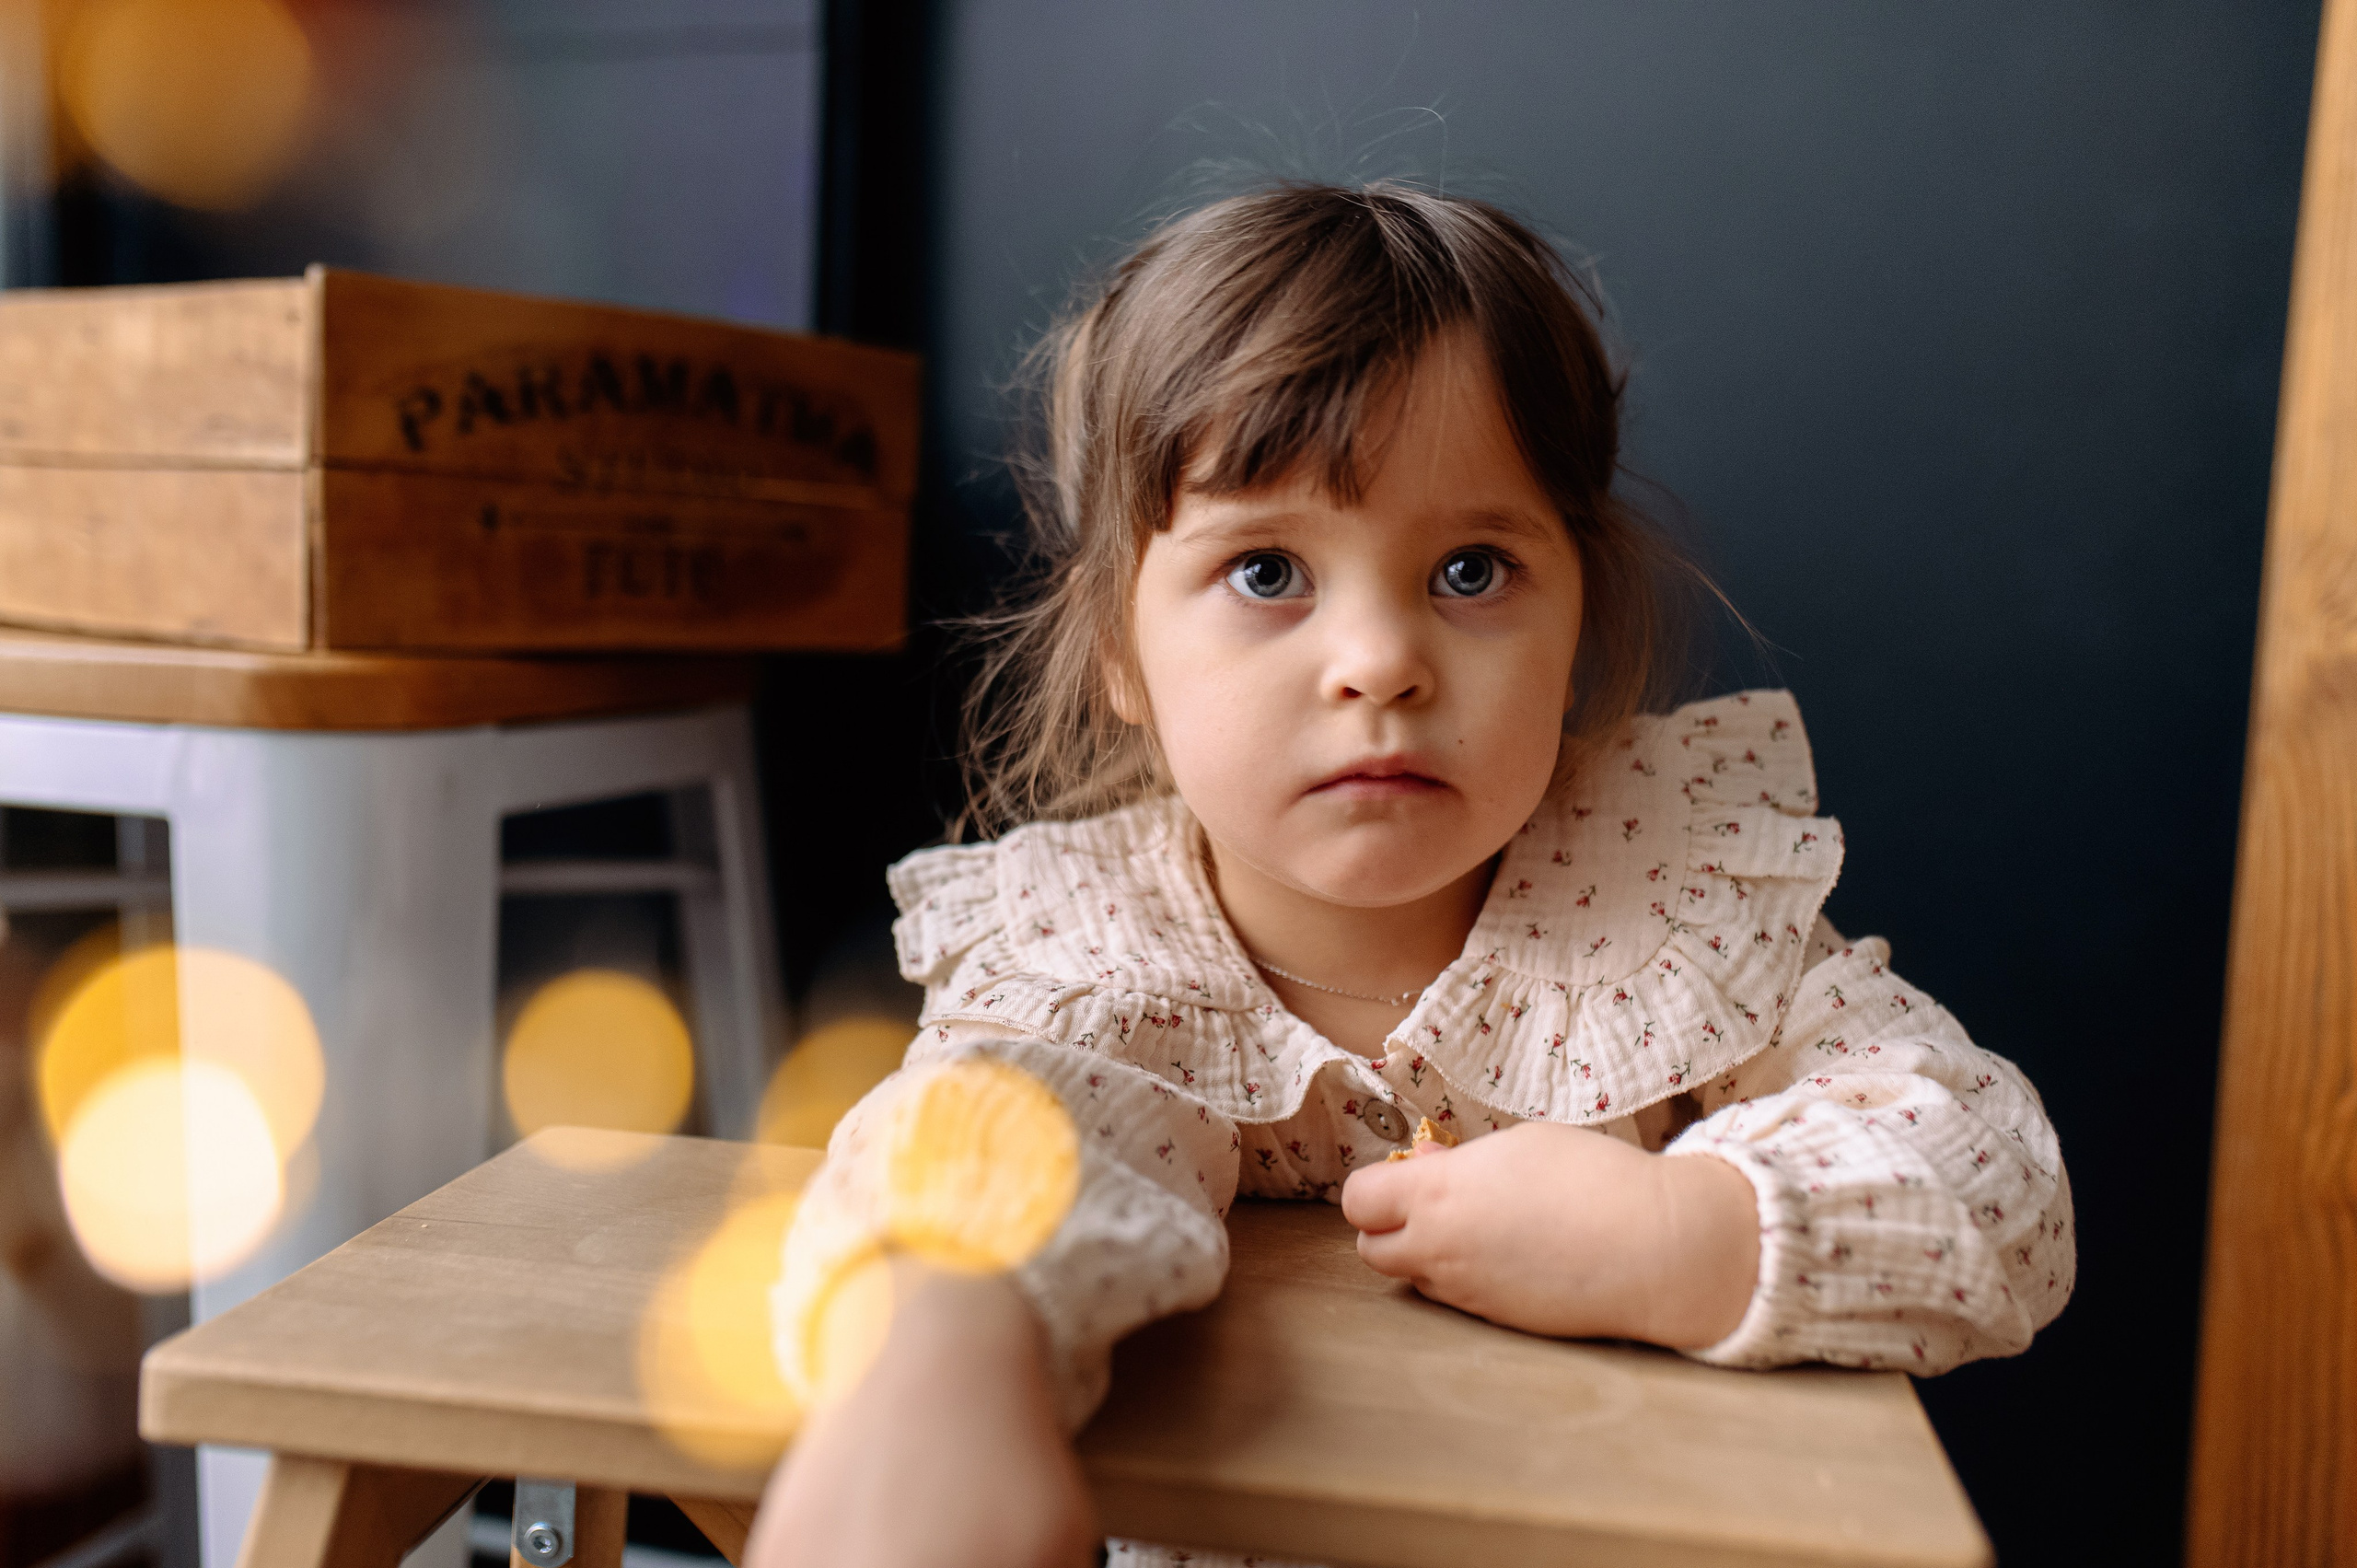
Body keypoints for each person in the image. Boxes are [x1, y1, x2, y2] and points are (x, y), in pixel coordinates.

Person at [748, 181, 2075, 1568]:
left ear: (1577, 615)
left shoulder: (1664, 908)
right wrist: (944, 1350)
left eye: (1469, 569)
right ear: (1119, 655)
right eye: (1267, 570)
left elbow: (1999, 1187)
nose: (1380, 660)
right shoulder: (1096, 954)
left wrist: (1684, 1233)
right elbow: (1006, 1132)